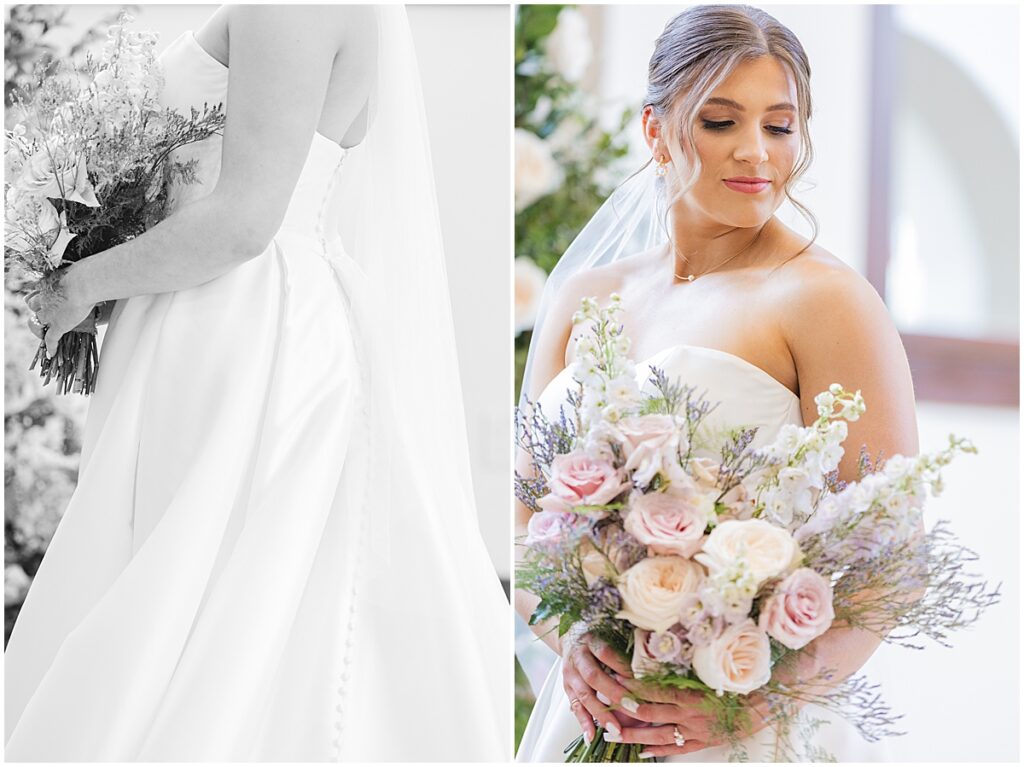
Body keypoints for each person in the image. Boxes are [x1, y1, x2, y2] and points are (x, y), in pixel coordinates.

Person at [6, 5, 510, 761]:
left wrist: (78, 283)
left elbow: (244, 220)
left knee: (206, 588)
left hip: (238, 325)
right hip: (225, 313)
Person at [514, 5, 918, 761]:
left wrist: (753, 702)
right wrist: (571, 639)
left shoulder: (826, 301)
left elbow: (893, 554)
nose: (755, 153)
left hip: (747, 727)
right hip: (602, 714)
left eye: (779, 124)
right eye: (721, 121)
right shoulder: (582, 297)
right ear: (656, 130)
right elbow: (525, 516)